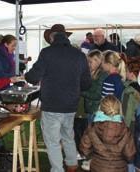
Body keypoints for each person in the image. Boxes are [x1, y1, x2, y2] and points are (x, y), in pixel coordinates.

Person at [25, 24, 92, 172]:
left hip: (52, 105)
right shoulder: (79, 55)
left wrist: (26, 76)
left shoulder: (47, 53)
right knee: (68, 135)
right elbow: (87, 83)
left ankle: (57, 169)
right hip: (71, 105)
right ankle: (72, 165)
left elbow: (33, 77)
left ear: (51, 36)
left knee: (53, 141)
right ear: (65, 36)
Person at [80, 95, 136, 172]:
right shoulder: (125, 130)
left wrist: (94, 155)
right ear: (119, 108)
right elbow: (130, 155)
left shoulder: (92, 127)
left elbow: (84, 150)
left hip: (97, 167)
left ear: (100, 108)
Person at [122, 57, 140, 131]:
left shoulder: (129, 91)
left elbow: (126, 116)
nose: (125, 72)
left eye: (126, 70)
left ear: (132, 74)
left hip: (132, 127)